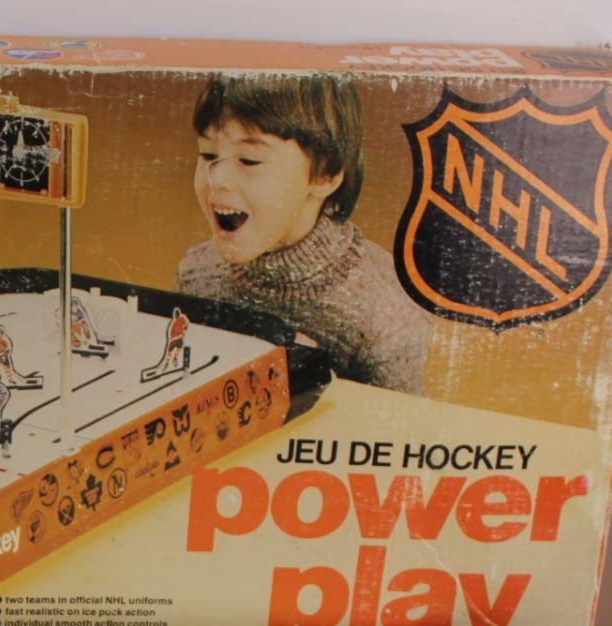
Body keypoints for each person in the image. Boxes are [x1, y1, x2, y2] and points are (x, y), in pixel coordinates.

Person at [175, 75, 429, 394]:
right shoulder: (196, 274)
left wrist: (323, 388)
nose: (217, 179)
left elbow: (401, 422)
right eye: (208, 156)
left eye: (249, 160)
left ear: (325, 175)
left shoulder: (385, 310)